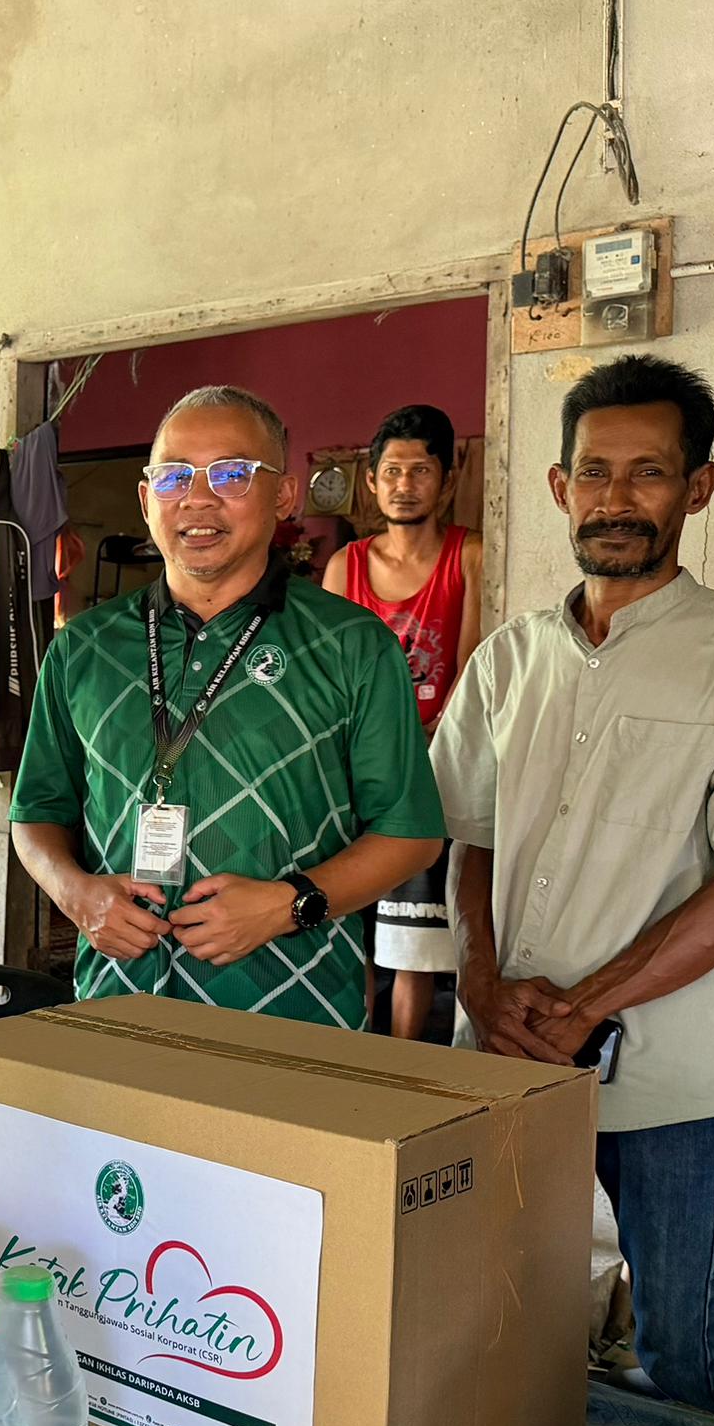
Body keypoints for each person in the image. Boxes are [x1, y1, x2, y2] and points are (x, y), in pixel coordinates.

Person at [433, 355, 714, 1417]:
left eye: (649, 472)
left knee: (686, 1368)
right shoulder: (508, 660)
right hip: (500, 1062)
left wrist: (586, 1007)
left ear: (697, 488)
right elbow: (469, 839)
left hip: (669, 1082)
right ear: (558, 486)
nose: (615, 499)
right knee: (484, 1338)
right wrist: (479, 986)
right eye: (594, 472)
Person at [10, 385, 443, 1027]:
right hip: (116, 1001)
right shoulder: (83, 648)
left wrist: (288, 904)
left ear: (284, 496)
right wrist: (77, 895)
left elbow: (410, 833)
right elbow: (36, 813)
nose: (198, 498)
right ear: (146, 500)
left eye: (232, 474)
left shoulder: (352, 644)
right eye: (174, 476)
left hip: (295, 1008)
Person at [322, 402, 484, 1037]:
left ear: (447, 479)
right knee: (348, 921)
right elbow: (328, 679)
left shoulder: (469, 555)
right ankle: (354, 1055)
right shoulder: (346, 566)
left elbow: (470, 669)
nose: (404, 484)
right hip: (354, 767)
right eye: (391, 471)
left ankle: (404, 1061)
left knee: (413, 935)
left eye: (420, 470)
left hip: (431, 767)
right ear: (371, 480)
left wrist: (416, 748)